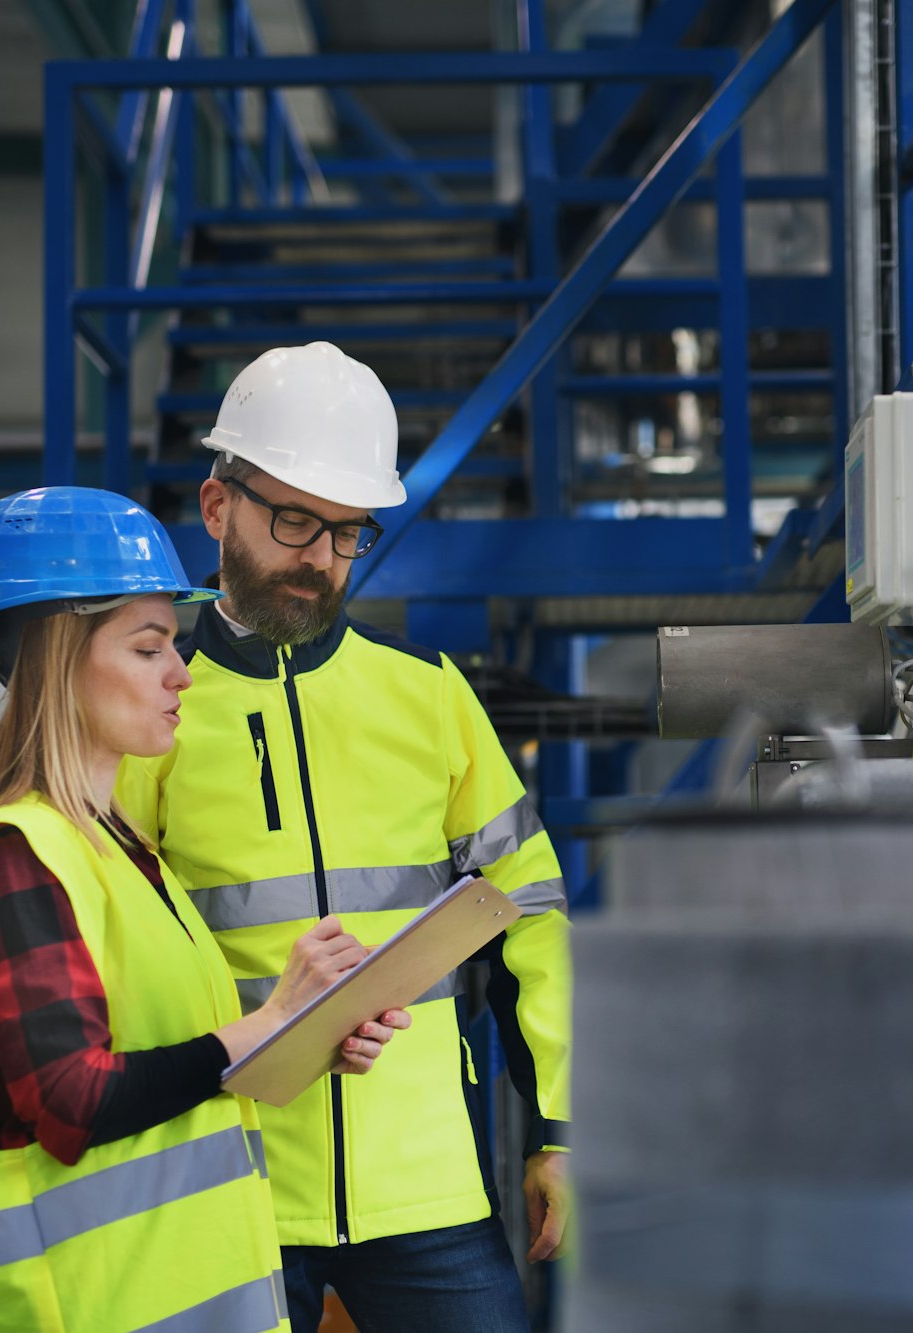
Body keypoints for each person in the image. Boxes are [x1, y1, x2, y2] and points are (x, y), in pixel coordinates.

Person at [117, 343, 572, 1332]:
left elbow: (531, 915)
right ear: (214, 507)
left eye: (346, 532)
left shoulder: (432, 702)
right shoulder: (153, 719)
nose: (318, 556)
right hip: (231, 1185)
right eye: (291, 520)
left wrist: (557, 1128)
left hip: (425, 1193)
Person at [0, 486, 410, 1332]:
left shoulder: (122, 850)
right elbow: (75, 1102)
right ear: (58, 660)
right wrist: (263, 1027)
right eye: (150, 649)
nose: (182, 673)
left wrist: (301, 1033)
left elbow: (176, 1069)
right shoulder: (16, 859)